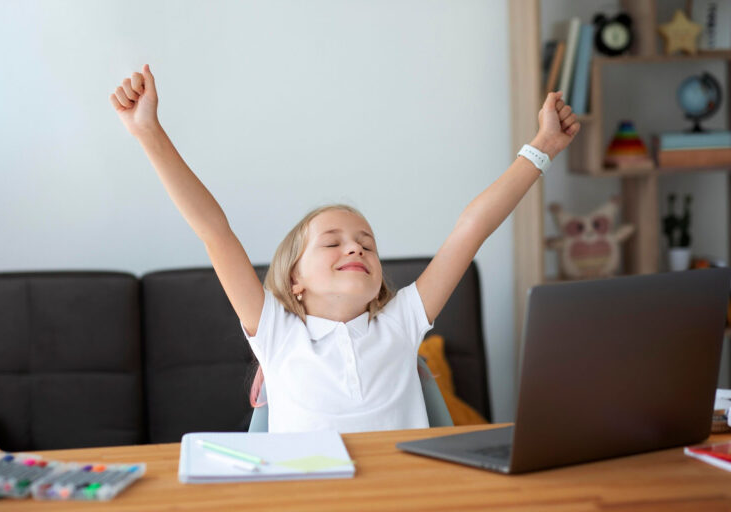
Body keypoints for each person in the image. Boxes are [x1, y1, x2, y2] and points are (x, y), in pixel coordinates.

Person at [110, 64, 580, 433]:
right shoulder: (275, 334)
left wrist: (542, 147)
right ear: (294, 280)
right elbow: (215, 232)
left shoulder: (401, 321)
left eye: (367, 245)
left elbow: (470, 229)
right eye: (332, 243)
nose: (355, 249)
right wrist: (149, 132)